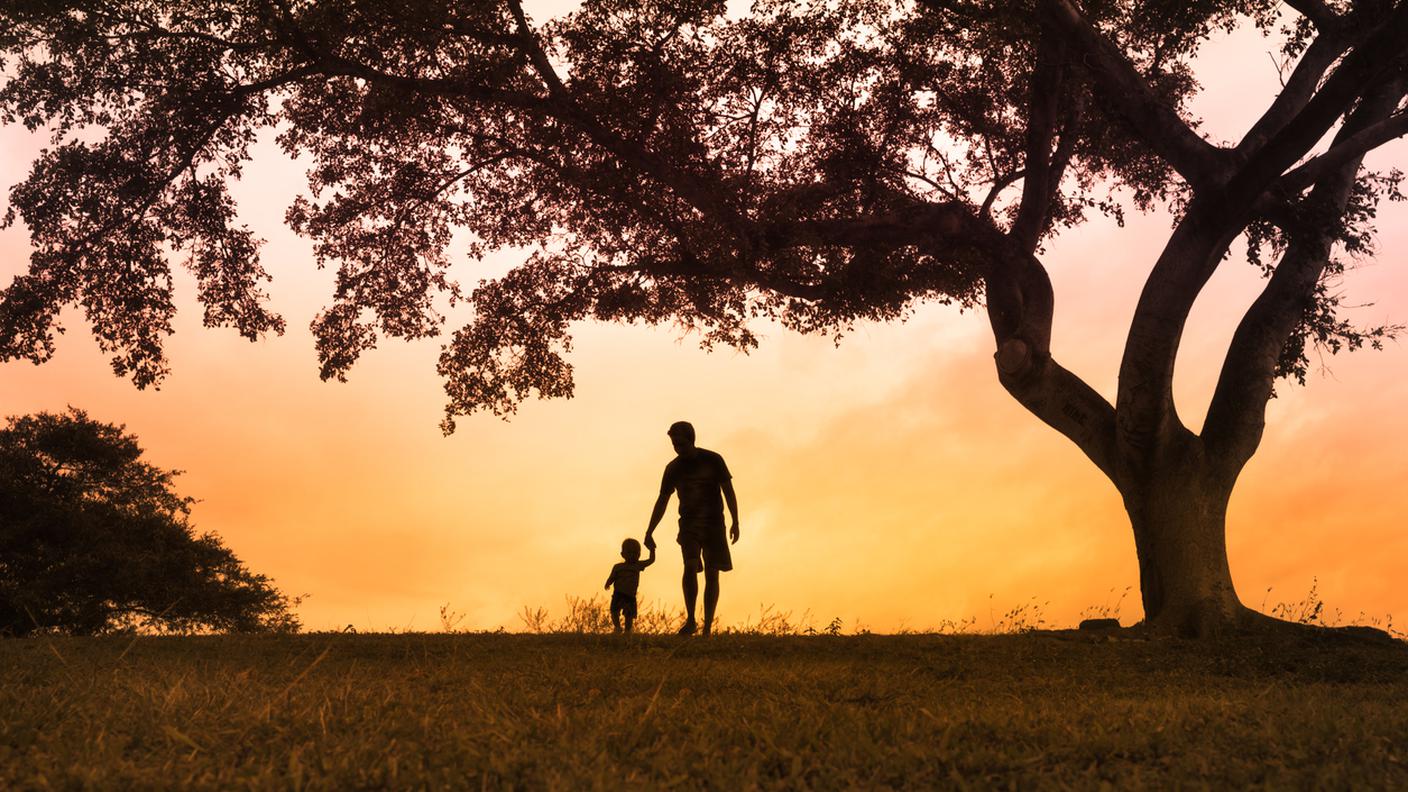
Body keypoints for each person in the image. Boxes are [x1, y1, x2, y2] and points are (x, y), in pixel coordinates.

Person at [644, 421, 739, 636]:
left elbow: (728, 490)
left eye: (680, 444)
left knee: (712, 573)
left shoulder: (713, 460)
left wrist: (735, 520)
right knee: (690, 566)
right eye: (674, 445)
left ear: (691, 440)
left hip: (714, 523)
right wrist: (650, 531)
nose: (677, 448)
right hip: (688, 525)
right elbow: (662, 500)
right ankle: (691, 619)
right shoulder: (673, 468)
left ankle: (706, 627)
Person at [604, 538, 655, 633]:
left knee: (629, 615)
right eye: (629, 552)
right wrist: (608, 583)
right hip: (618, 593)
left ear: (639, 555)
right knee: (614, 611)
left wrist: (652, 549)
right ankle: (617, 627)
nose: (632, 555)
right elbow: (612, 576)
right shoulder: (618, 567)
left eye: (635, 553)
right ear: (623, 554)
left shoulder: (638, 565)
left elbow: (651, 560)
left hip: (630, 595)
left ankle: (628, 630)